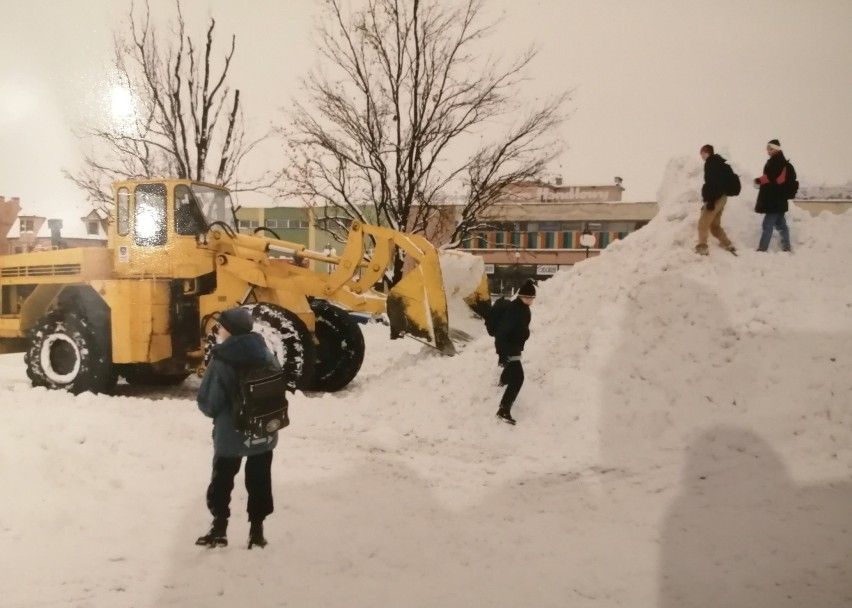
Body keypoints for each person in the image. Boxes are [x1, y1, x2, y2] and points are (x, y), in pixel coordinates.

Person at [196, 306, 281, 549]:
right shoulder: (265, 351)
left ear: (230, 331)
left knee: (222, 478)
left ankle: (219, 528)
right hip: (263, 428)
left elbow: (210, 402)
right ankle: (257, 533)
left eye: (222, 327)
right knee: (260, 479)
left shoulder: (222, 358)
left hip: (231, 430)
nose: (219, 331)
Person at [494, 279, 536, 425]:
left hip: (514, 348)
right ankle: (503, 410)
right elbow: (501, 333)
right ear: (521, 296)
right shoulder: (514, 310)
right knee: (518, 378)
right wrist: (502, 353)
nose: (530, 300)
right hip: (508, 348)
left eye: (532, 298)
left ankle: (501, 383)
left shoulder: (523, 309)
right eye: (528, 297)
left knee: (512, 371)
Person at [696, 144, 736, 256]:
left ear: (707, 152)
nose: (701, 156)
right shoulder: (720, 164)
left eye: (702, 153)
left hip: (716, 197)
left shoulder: (710, 164)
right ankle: (727, 244)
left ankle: (702, 247)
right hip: (722, 197)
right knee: (714, 225)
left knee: (702, 223)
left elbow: (713, 184)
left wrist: (711, 201)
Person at [754, 139, 792, 252]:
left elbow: (770, 177)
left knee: (767, 225)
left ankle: (762, 248)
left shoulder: (776, 162)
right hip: (779, 199)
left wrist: (758, 180)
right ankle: (786, 246)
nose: (768, 151)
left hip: (774, 200)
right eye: (767, 149)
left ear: (776, 149)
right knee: (781, 225)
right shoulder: (781, 161)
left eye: (770, 149)